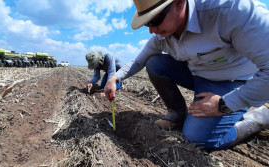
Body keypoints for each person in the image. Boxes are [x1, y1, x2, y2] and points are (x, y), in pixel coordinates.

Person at [104, 0, 269, 150]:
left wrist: (224, 104)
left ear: (178, 3)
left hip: (232, 80)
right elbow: (138, 61)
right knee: (155, 63)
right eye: (147, 23)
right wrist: (115, 77)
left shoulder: (230, 11)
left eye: (154, 20)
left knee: (198, 139)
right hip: (199, 75)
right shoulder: (162, 36)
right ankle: (177, 115)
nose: (151, 30)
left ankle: (261, 115)